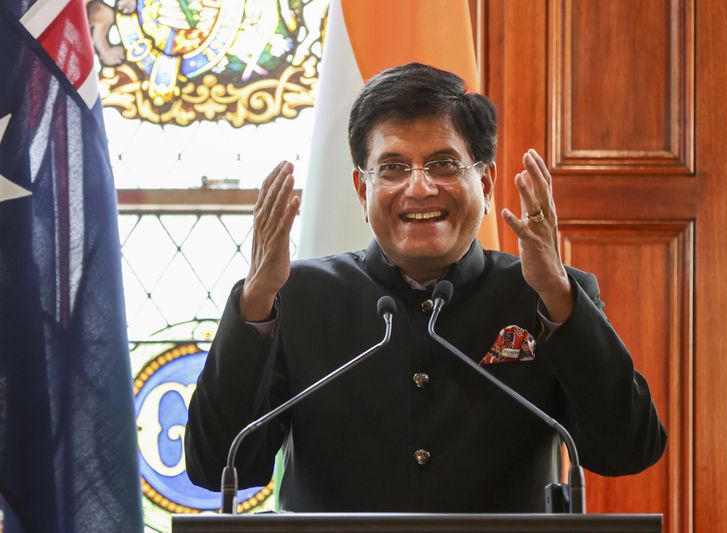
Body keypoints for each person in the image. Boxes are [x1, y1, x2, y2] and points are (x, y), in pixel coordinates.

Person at [184, 62, 667, 512]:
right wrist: (255, 304)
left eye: (443, 164)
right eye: (392, 167)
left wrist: (560, 299)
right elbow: (216, 466)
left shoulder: (544, 296)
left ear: (487, 181)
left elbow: (628, 450)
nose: (419, 188)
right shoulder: (298, 297)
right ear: (361, 189)